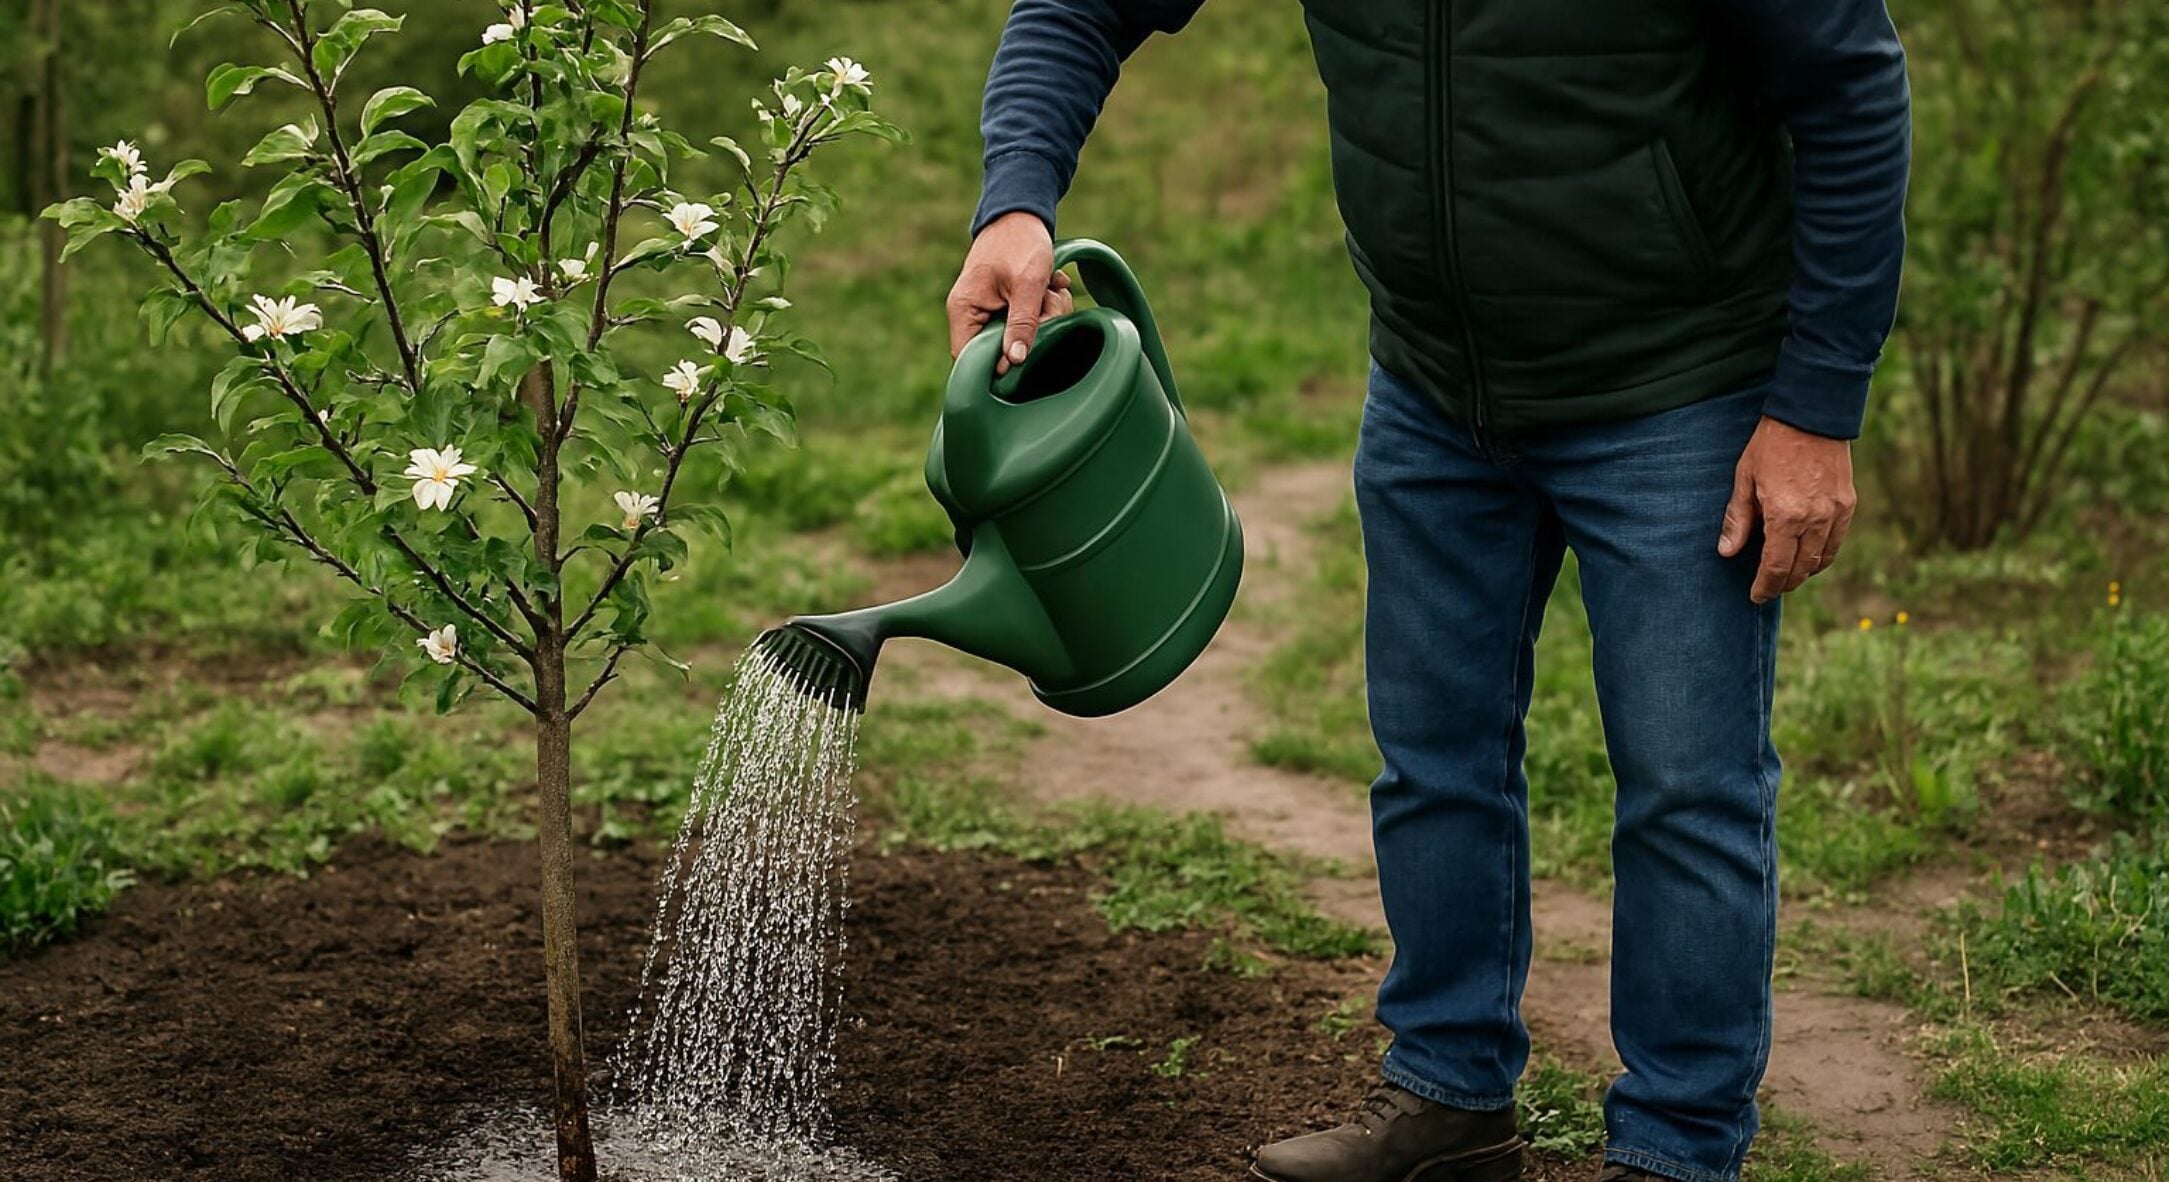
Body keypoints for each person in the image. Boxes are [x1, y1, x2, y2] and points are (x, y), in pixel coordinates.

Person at [946, 2, 1910, 1180]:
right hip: (1433, 387)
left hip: (1679, 387)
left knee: (1688, 789)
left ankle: (1675, 1148)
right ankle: (1450, 1101)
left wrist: (1816, 406)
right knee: (1433, 760)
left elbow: (1851, 89)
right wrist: (1016, 197)